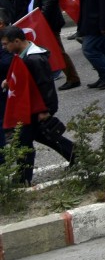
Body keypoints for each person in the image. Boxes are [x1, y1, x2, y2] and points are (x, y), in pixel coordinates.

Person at [1, 27, 76, 183]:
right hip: (30, 106)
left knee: (23, 141)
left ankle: (23, 180)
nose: (4, 48)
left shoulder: (34, 58)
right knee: (44, 136)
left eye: (6, 44)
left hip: (37, 108)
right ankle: (76, 155)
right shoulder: (22, 55)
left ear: (17, 41)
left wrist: (45, 110)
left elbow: (45, 85)